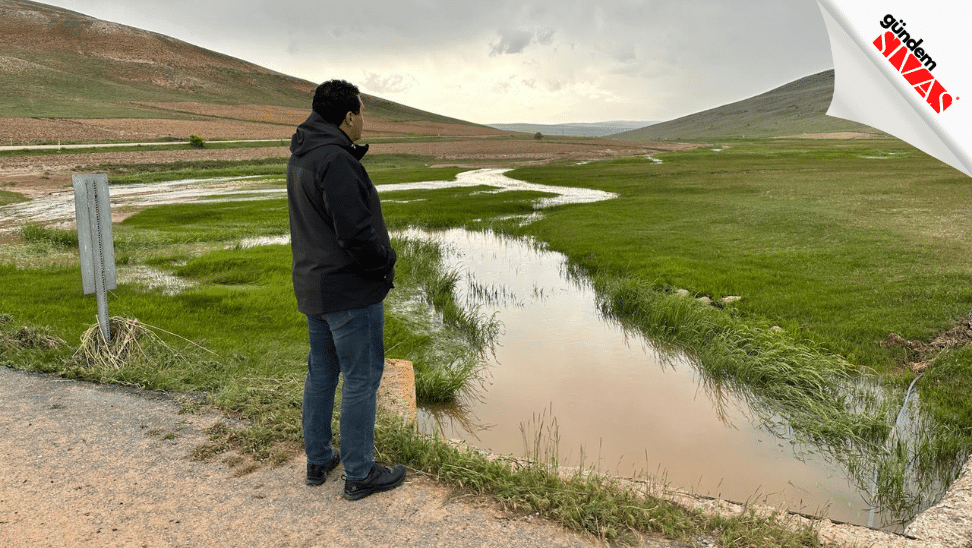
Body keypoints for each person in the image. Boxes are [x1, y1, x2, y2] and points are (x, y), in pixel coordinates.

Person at [286, 79, 406, 501]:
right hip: (350, 292)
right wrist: (385, 263)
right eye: (362, 113)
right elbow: (355, 233)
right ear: (349, 116)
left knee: (322, 373)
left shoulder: (303, 154)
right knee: (361, 378)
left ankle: (318, 458)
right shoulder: (335, 161)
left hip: (315, 286)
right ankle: (359, 472)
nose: (363, 122)